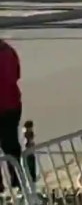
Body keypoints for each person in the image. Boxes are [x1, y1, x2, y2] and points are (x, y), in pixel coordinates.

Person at [0, 38, 23, 195]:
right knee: (11, 145)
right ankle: (18, 179)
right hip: (12, 106)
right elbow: (16, 75)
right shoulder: (8, 50)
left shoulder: (6, 53)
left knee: (10, 145)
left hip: (6, 106)